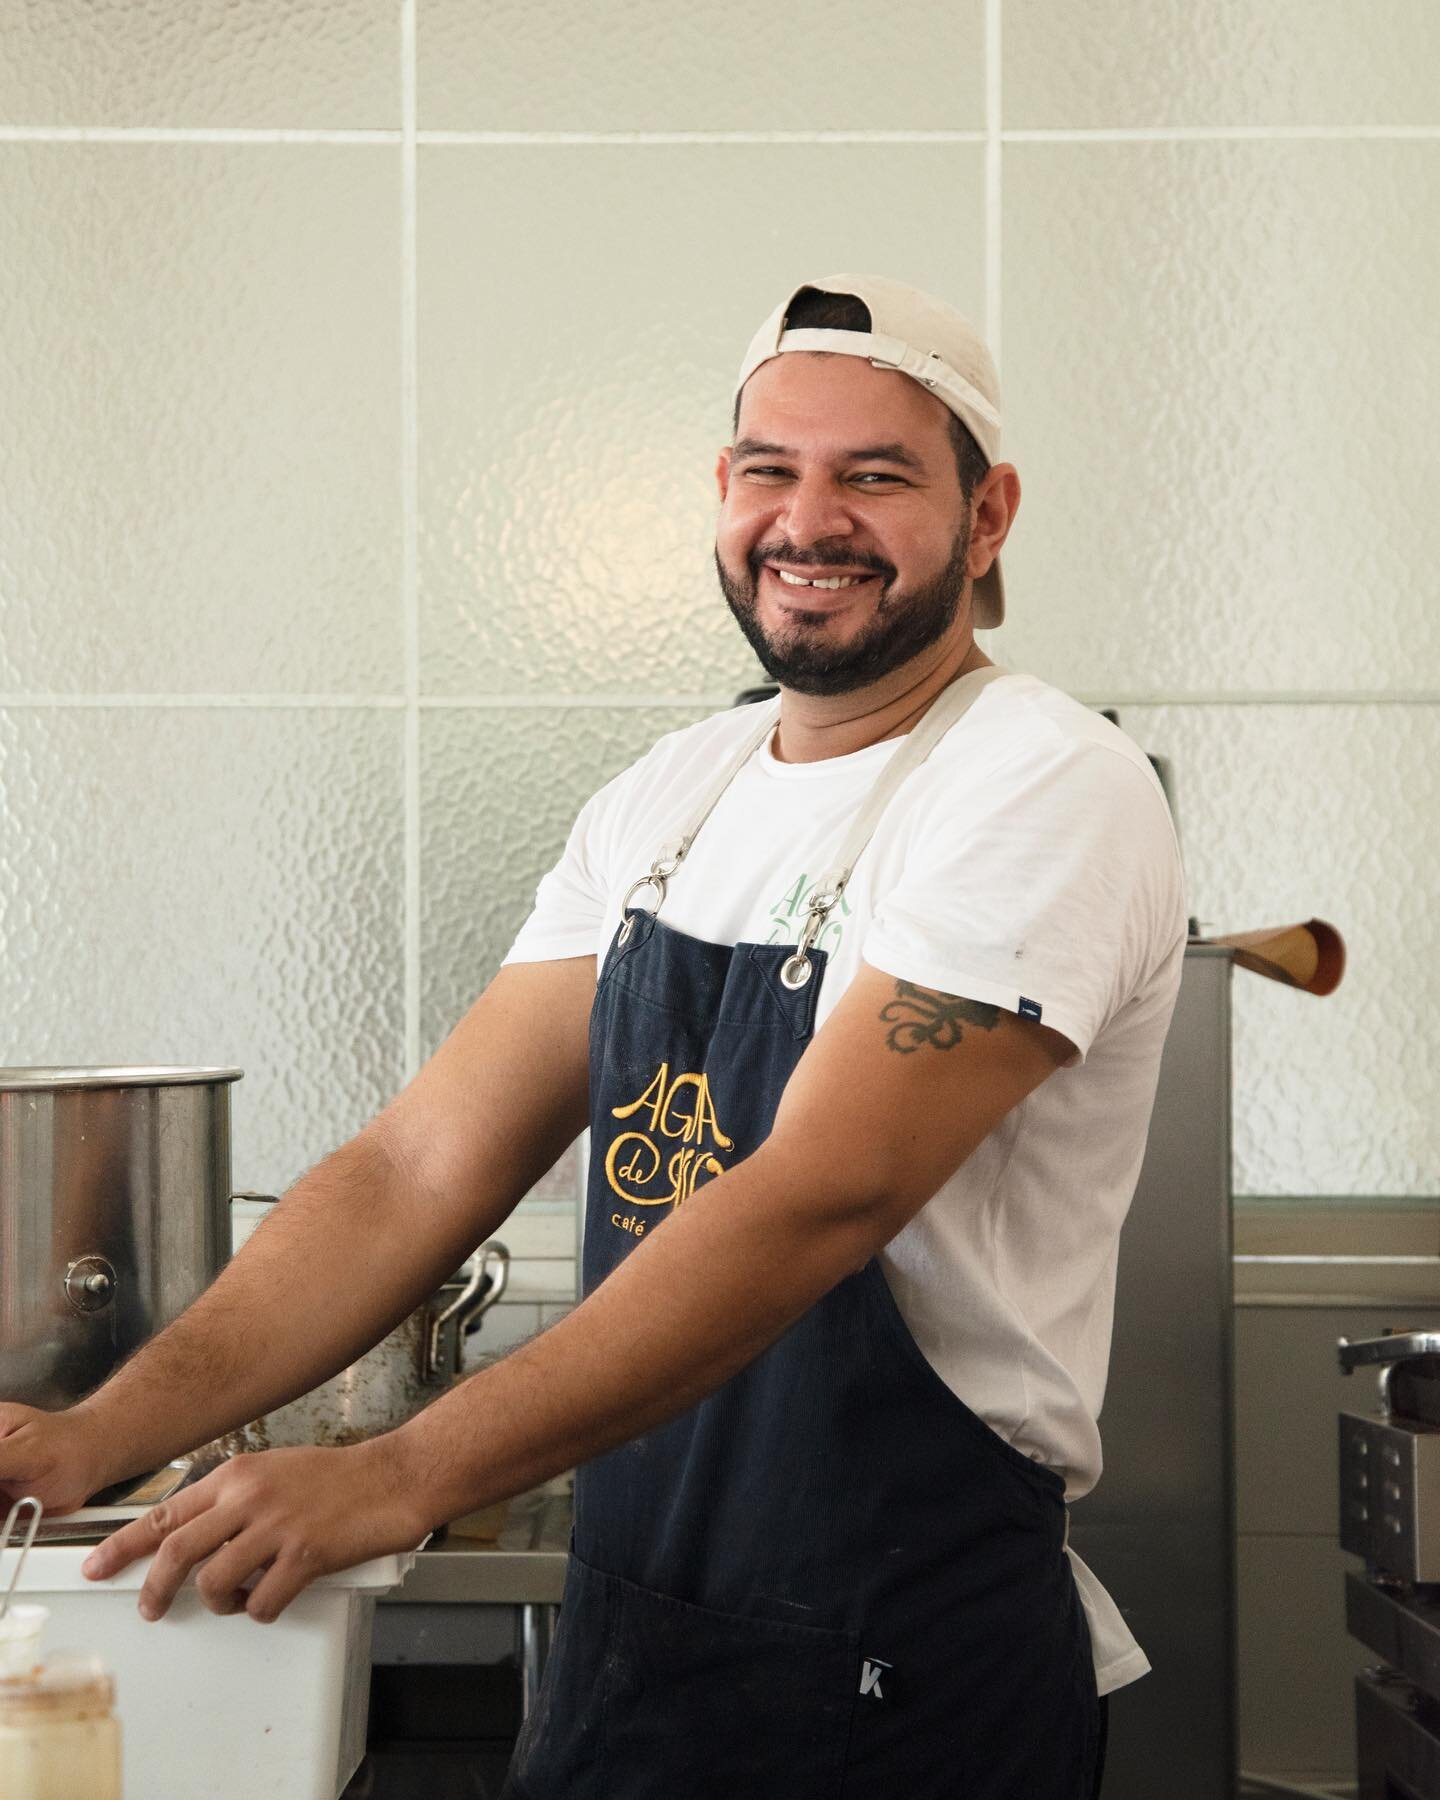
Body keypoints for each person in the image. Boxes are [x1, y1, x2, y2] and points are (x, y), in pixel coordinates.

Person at [0, 274, 1186, 1799]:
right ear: (723, 494)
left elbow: (822, 1188)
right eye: (772, 469)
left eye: (876, 475)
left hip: (903, 1677)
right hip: (642, 1648)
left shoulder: (1043, 782)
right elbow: (422, 1166)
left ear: (989, 511)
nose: (808, 518)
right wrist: (90, 1441)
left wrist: (399, 1473)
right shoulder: (672, 797)